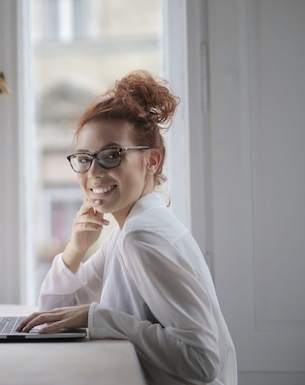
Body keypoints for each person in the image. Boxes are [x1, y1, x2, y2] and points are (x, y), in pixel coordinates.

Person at [17, 71, 237, 385]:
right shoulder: (125, 232)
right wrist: (75, 249)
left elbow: (202, 361)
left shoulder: (141, 236)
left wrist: (98, 317)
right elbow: (52, 315)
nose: (93, 173)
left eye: (111, 156)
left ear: (152, 161)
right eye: (84, 158)